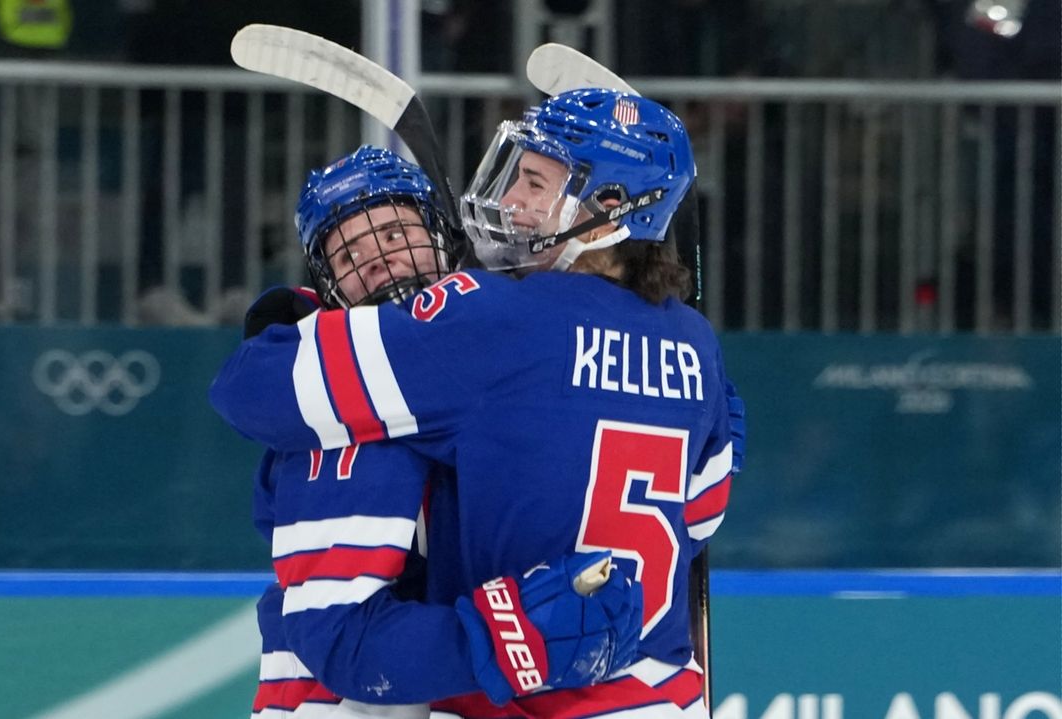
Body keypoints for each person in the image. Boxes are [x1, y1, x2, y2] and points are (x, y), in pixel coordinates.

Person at [214, 90, 736, 718]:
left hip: (522, 701)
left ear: (608, 209)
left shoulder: (494, 318)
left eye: (535, 183)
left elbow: (252, 391)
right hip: (663, 699)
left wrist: (301, 324)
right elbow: (702, 514)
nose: (511, 200)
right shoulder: (693, 344)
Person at [245, 145, 642, 718]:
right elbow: (338, 638)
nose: (376, 261)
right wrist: (513, 636)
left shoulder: (472, 366)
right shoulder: (338, 414)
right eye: (348, 252)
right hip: (333, 703)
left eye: (391, 235)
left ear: (442, 240)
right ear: (328, 284)